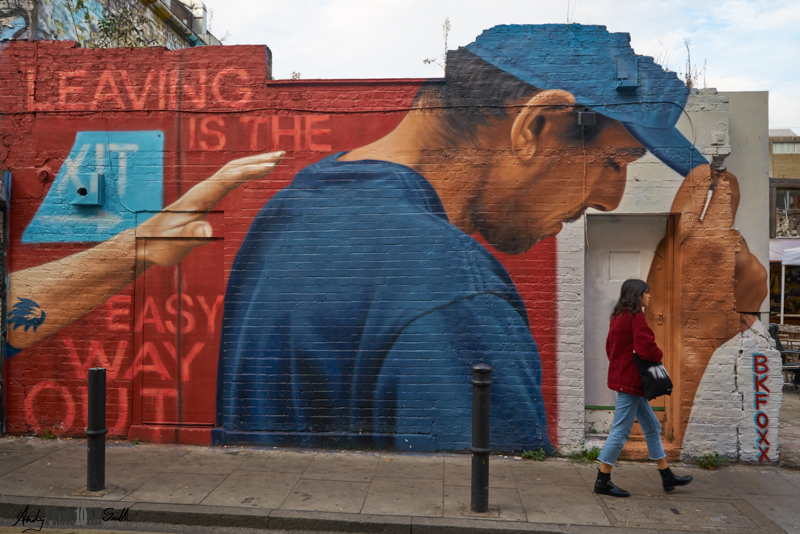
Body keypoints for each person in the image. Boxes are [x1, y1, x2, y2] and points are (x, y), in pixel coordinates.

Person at [594, 279, 693, 497]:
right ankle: (602, 480)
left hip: (625, 379)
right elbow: (646, 349)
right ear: (637, 295)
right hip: (631, 382)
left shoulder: (617, 316)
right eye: (646, 293)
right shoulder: (636, 317)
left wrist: (621, 364)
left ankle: (667, 476)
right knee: (620, 431)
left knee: (651, 427)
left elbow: (609, 348)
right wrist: (659, 354)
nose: (649, 297)